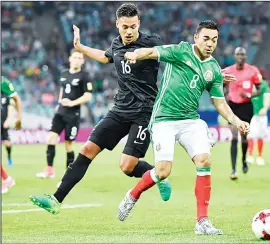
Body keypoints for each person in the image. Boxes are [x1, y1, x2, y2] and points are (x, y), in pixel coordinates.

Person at [30, 3, 171, 214]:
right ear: (117, 25)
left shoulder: (152, 42)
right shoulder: (116, 44)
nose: (129, 31)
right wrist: (81, 48)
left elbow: (173, 55)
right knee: (87, 149)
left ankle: (155, 173)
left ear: (139, 23)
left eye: (133, 26)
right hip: (119, 110)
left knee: (127, 167)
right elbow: (106, 57)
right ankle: (55, 200)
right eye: (125, 27)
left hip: (144, 112)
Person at [117, 20, 249, 235]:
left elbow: (219, 101)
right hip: (163, 120)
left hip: (190, 120)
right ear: (196, 38)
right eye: (206, 38)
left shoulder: (213, 68)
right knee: (162, 171)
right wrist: (135, 54)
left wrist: (236, 120)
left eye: (214, 40)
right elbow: (153, 52)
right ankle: (133, 194)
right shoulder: (180, 51)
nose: (210, 44)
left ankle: (202, 221)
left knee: (204, 161)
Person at [36, 49, 93, 178]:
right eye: (75, 57)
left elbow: (88, 96)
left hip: (73, 115)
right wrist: (59, 103)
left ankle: (68, 175)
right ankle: (49, 170)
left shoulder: (85, 76)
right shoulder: (64, 73)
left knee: (68, 144)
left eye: (80, 58)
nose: (77, 60)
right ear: (70, 59)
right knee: (51, 138)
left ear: (83, 61)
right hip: (60, 112)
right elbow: (62, 90)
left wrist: (72, 103)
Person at [222, 47, 262, 180]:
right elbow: (220, 85)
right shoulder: (228, 70)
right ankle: (233, 170)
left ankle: (244, 160)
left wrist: (249, 94)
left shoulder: (252, 71)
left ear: (246, 56)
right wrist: (223, 96)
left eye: (242, 54)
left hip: (246, 106)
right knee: (234, 136)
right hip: (233, 106)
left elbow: (259, 89)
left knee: (243, 137)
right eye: (238, 54)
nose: (240, 56)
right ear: (234, 56)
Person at [247, 79, 270, 165]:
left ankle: (260, 156)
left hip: (261, 115)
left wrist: (265, 108)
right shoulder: (248, 83)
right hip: (250, 114)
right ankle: (249, 155)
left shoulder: (264, 84)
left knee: (260, 135)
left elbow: (268, 97)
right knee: (250, 135)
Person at [1, 76, 22, 167]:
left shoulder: (4, 84)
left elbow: (14, 103)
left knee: (7, 143)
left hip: (3, 122)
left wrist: (18, 118)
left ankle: (9, 157)